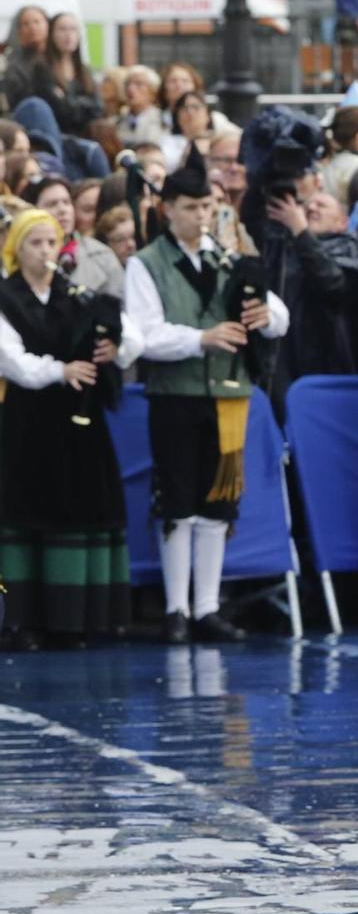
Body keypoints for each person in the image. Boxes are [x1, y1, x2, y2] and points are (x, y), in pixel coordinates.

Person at [123, 151, 291, 643]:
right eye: (192, 206)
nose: (201, 216)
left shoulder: (228, 257)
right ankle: (176, 608)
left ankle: (207, 607)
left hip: (228, 394)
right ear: (169, 207)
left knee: (220, 501)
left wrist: (266, 317)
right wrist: (202, 338)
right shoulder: (146, 262)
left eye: (208, 206)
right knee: (176, 500)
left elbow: (277, 314)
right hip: (174, 394)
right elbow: (145, 334)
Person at [0, 209, 141, 650]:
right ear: (16, 250)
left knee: (80, 513)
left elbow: (134, 338)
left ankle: (77, 620)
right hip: (27, 424)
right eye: (34, 244)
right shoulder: (6, 297)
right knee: (27, 516)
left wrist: (113, 346)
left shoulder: (77, 294)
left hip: (79, 426)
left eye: (50, 243)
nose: (44, 252)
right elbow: (13, 361)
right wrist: (61, 371)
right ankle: (25, 622)